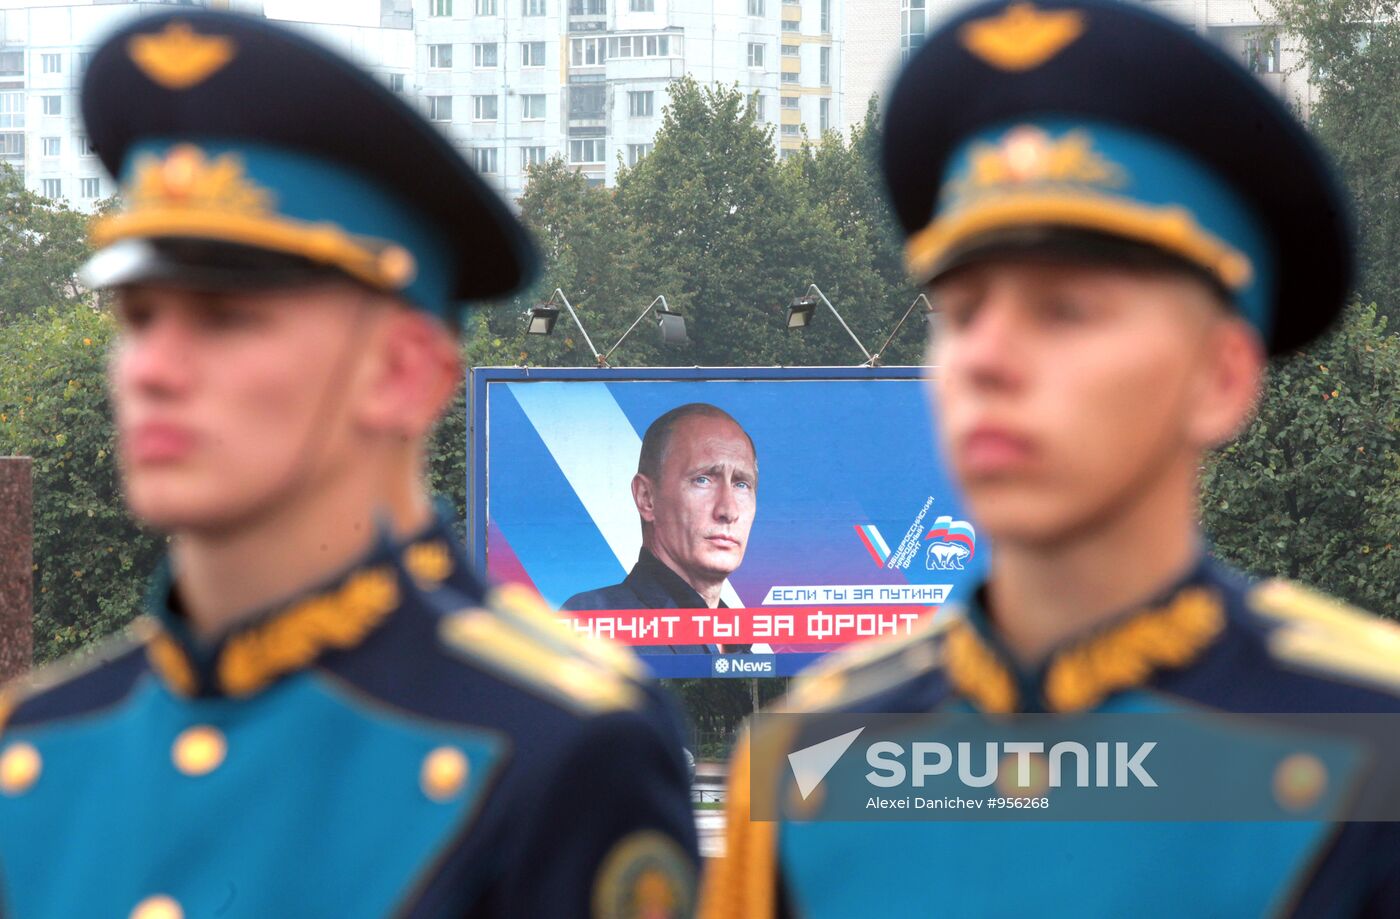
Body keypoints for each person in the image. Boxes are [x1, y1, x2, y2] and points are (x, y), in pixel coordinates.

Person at [701, 0, 1400, 916]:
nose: (986, 358)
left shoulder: (1369, 743)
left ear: (1223, 376)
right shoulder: (810, 759)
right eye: (960, 312)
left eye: (1065, 309)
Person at [0, 11, 698, 918]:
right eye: (136, 317)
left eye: (225, 318)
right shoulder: (41, 752)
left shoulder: (553, 744)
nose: (151, 369)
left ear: (406, 373)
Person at [564, 403, 757, 654]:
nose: (728, 511)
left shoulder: (742, 645)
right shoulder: (593, 620)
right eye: (703, 480)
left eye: (742, 484)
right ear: (647, 497)